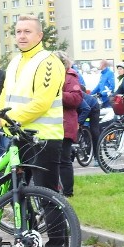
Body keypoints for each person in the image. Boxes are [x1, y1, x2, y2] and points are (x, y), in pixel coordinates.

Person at [0, 14, 65, 247]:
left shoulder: (48, 61)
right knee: (22, 196)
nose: (22, 36)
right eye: (18, 31)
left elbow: (42, 101)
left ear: (40, 36)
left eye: (28, 31)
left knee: (46, 196)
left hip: (44, 137)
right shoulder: (15, 61)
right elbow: (6, 96)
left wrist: (5, 118)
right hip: (18, 136)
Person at [57, 51, 84, 197]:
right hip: (55, 124)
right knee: (57, 160)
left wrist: (57, 94)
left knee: (64, 160)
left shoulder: (70, 77)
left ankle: (68, 192)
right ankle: (58, 190)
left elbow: (76, 99)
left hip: (66, 123)